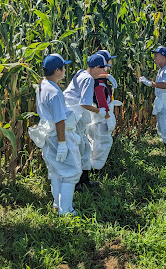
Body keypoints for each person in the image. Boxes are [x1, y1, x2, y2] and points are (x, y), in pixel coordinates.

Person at [28, 53, 81, 215]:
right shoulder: (54, 92)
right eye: (64, 67)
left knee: (56, 171)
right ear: (57, 70)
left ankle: (57, 205)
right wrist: (63, 144)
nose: (65, 70)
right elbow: (59, 120)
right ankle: (66, 211)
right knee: (71, 172)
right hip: (56, 136)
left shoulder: (43, 85)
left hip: (47, 135)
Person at [63, 53, 110, 191]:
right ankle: (76, 184)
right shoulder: (89, 79)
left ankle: (84, 180)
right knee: (76, 149)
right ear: (95, 67)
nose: (103, 72)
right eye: (102, 68)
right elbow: (84, 103)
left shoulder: (81, 73)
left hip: (73, 116)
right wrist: (99, 111)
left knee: (84, 147)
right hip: (73, 117)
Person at [138, 46, 166, 159]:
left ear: (163, 57)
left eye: (156, 55)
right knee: (163, 127)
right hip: (163, 103)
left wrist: (150, 83)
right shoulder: (161, 70)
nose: (154, 58)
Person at [87, 50, 122, 171]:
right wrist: (108, 117)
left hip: (97, 117)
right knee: (101, 143)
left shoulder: (98, 78)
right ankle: (96, 168)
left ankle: (93, 165)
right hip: (100, 118)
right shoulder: (99, 82)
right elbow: (101, 101)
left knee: (96, 142)